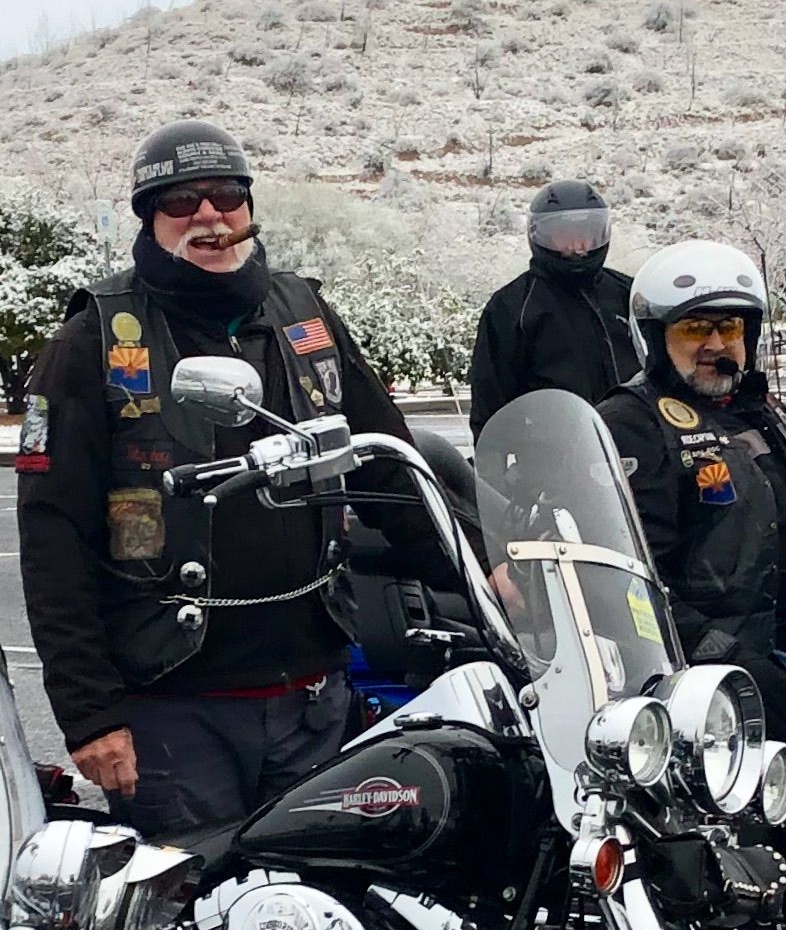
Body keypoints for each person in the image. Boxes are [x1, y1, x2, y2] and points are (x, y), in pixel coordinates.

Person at [18, 119, 456, 838]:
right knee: (192, 896)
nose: (209, 217)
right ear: (148, 217)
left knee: (329, 892)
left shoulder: (304, 314)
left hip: (313, 695)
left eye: (226, 195)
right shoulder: (93, 336)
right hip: (171, 709)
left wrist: (485, 571)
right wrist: (89, 712)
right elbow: (52, 537)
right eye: (180, 201)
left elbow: (389, 467)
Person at [598, 240, 786, 736]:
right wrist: (720, 654)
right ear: (654, 337)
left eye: (730, 327)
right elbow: (622, 579)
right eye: (695, 329)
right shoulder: (633, 422)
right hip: (716, 687)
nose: (716, 344)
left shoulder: (760, 408)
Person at [468, 180, 639, 439]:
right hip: (554, 451)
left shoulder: (628, 293)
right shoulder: (512, 307)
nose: (577, 246)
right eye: (564, 236)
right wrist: (498, 457)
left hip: (636, 444)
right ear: (541, 236)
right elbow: (490, 402)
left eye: (586, 234)